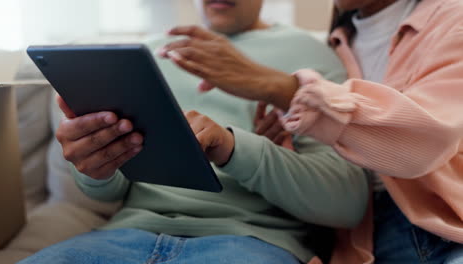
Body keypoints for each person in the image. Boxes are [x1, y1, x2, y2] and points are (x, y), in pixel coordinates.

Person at [19, 0, 368, 263]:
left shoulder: (308, 57)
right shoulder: (148, 54)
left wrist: (232, 146)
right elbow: (107, 190)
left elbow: (347, 203)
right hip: (123, 235)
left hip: (248, 243)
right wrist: (96, 164)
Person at [159, 0, 463, 263]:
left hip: (441, 230)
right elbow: (338, 167)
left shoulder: (452, 20)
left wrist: (286, 92)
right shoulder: (333, 44)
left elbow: (423, 144)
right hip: (359, 240)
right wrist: (296, 123)